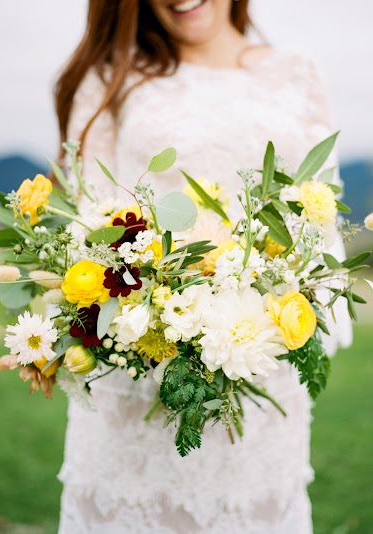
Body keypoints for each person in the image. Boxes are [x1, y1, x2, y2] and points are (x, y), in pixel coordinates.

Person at [55, 1, 352, 532]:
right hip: (141, 367)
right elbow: (85, 222)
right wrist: (163, 304)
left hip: (262, 371)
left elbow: (319, 213)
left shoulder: (294, 71)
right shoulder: (112, 77)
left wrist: (276, 304)